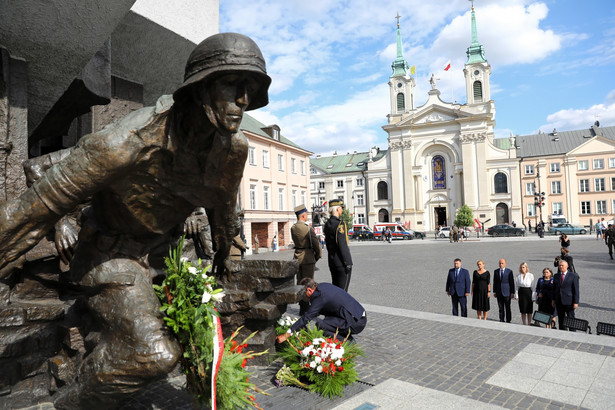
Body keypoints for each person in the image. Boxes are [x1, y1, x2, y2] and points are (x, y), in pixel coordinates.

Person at [0, 32, 271, 407]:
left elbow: (223, 205)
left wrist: (225, 254)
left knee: (198, 338)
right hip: (111, 257)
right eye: (233, 84)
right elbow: (29, 212)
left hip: (167, 257)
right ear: (199, 88)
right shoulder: (123, 143)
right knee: (155, 355)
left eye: (252, 89)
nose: (243, 100)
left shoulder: (232, 148)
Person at [275, 278, 366, 343]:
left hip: (356, 322)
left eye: (303, 293)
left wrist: (287, 334)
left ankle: (348, 342)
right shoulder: (323, 286)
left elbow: (307, 317)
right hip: (358, 315)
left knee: (321, 325)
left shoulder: (319, 296)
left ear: (309, 290)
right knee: (326, 321)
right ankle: (345, 337)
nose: (303, 296)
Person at [290, 204, 322, 315]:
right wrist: (317, 256)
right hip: (308, 258)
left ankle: (301, 306)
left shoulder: (293, 228)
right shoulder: (308, 228)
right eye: (306, 214)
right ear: (303, 215)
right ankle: (305, 308)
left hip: (297, 256)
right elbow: (316, 244)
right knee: (308, 283)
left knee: (300, 282)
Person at [323, 199, 353, 291]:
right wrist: (348, 262)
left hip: (332, 261)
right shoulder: (340, 224)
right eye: (341, 208)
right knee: (343, 292)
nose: (342, 210)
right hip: (341, 262)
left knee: (335, 290)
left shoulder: (327, 224)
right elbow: (342, 244)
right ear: (337, 209)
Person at [552, 260, 580, 331]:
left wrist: (576, 302)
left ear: (567, 266)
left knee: (570, 317)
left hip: (569, 301)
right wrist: (553, 299)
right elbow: (554, 289)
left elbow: (576, 290)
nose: (561, 267)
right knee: (561, 318)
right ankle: (562, 331)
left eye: (562, 265)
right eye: (560, 265)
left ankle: (572, 331)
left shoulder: (573, 276)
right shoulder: (556, 276)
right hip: (559, 301)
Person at [493, 259, 515, 323]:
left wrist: (512, 292)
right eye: (500, 263)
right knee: (500, 307)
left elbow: (511, 282)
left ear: (505, 264)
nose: (501, 264)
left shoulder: (509, 271)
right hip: (499, 292)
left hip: (507, 292)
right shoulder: (496, 271)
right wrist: (494, 291)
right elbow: (495, 282)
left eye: (502, 263)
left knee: (507, 307)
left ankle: (508, 320)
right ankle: (501, 319)